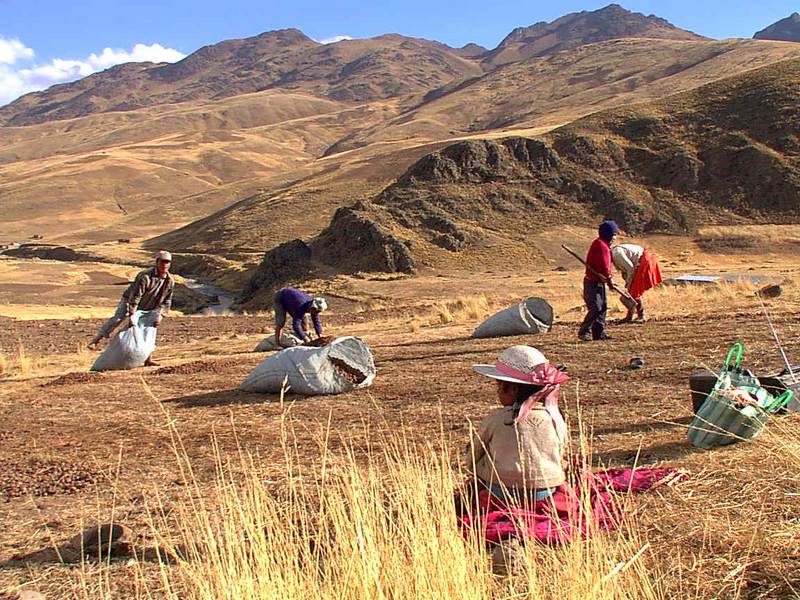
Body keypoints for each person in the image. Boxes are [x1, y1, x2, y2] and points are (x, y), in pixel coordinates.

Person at [467, 345, 569, 505]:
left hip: (500, 490)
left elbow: (474, 454)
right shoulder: (555, 417)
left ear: (513, 389)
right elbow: (561, 449)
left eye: (499, 387)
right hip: (544, 491)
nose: (498, 392)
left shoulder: (497, 419)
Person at [88, 250, 174, 354]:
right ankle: (96, 340)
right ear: (157, 262)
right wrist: (132, 314)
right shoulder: (145, 276)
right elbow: (135, 296)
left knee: (149, 329)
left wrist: (161, 315)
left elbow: (167, 301)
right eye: (162, 261)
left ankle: (147, 357)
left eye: (167, 262)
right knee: (118, 318)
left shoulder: (169, 281)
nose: (165, 264)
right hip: (130, 301)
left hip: (149, 305)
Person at [578, 220, 619, 341]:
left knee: (602, 307)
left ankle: (598, 333)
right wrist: (610, 280)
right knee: (596, 307)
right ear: (609, 234)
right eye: (614, 234)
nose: (615, 237)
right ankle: (584, 331)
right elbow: (604, 267)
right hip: (592, 282)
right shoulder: (601, 246)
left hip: (598, 281)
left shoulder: (601, 244)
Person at [611, 242, 663, 323]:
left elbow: (630, 268)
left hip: (644, 262)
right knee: (634, 291)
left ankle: (640, 316)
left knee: (633, 291)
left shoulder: (616, 253)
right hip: (642, 262)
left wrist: (629, 283)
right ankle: (631, 316)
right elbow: (626, 270)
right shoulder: (615, 252)